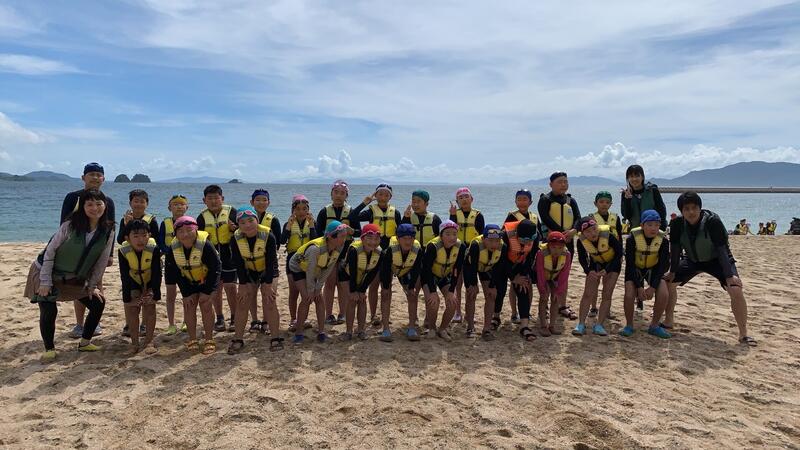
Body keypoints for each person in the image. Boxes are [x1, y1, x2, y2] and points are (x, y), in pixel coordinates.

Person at [26, 189, 115, 360]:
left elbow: (101, 261)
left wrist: (92, 284)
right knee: (48, 308)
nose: (94, 208)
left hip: (73, 276)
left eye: (98, 204)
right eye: (89, 204)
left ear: (105, 206)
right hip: (45, 271)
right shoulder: (70, 225)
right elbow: (50, 252)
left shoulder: (108, 230)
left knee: (98, 303)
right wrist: (45, 281)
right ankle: (49, 349)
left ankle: (85, 343)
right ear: (82, 207)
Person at [664, 192, 756, 345]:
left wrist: (729, 275)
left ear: (700, 208)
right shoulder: (677, 224)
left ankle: (743, 333)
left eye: (694, 208)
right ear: (681, 211)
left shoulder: (713, 221)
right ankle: (668, 321)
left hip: (717, 260)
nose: (691, 212)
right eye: (686, 209)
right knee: (668, 283)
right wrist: (672, 271)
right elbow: (675, 250)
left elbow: (721, 249)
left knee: (735, 289)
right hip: (692, 260)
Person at [59, 162, 116, 339]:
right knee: (79, 285)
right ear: (83, 177)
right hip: (76, 251)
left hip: (97, 250)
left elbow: (111, 230)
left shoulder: (107, 201)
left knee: (97, 284)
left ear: (103, 179)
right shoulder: (73, 198)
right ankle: (79, 324)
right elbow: (63, 225)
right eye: (91, 174)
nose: (95, 178)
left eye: (99, 175)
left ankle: (95, 321)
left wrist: (110, 254)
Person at [164, 216, 221, 355]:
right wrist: (185, 294)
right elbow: (174, 272)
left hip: (206, 280)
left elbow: (216, 268)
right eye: (181, 231)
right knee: (189, 305)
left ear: (196, 230)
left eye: (189, 230)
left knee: (206, 305)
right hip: (188, 281)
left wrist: (208, 291)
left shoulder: (205, 245)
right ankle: (192, 339)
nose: (185, 234)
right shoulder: (173, 248)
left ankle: (209, 339)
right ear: (176, 234)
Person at [228, 207, 281, 354]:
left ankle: (275, 337)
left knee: (269, 301)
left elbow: (271, 262)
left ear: (257, 221)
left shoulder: (268, 236)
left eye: (251, 220)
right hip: (249, 271)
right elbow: (238, 263)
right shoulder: (235, 239)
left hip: (268, 271)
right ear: (238, 225)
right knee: (242, 301)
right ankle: (238, 339)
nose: (247, 225)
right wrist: (242, 285)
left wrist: (268, 284)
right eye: (242, 222)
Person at [288, 221, 350, 344]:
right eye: (342, 236)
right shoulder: (315, 249)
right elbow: (310, 270)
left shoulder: (340, 246)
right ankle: (299, 333)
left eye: (345, 236)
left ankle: (321, 332)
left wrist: (318, 288)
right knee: (307, 298)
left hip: (316, 268)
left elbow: (328, 268)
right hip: (298, 268)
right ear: (330, 237)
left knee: (319, 298)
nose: (345, 239)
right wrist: (311, 290)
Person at [350, 184, 402, 327]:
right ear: (376, 195)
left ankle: (385, 314)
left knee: (387, 286)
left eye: (386, 195)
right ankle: (373, 315)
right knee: (373, 284)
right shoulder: (371, 211)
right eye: (380, 194)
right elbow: (353, 217)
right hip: (374, 251)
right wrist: (365, 202)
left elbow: (401, 232)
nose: (383, 197)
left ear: (390, 197)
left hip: (389, 252)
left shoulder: (395, 213)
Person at [619, 210, 671, 339]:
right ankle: (629, 325)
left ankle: (654, 326)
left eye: (657, 225)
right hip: (635, 269)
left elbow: (662, 266)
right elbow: (630, 265)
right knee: (629, 294)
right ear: (642, 225)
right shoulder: (632, 239)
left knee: (664, 293)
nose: (654, 228)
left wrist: (652, 287)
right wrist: (639, 287)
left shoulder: (663, 241)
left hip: (654, 269)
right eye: (650, 224)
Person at [537, 171, 580, 321]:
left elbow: (578, 218)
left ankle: (562, 306)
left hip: (568, 241)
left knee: (563, 274)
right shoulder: (545, 200)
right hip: (550, 242)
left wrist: (573, 230)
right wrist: (560, 234)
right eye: (560, 182)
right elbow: (545, 218)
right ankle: (545, 305)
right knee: (546, 273)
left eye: (565, 182)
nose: (563, 184)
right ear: (551, 184)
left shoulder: (571, 200)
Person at [118, 189, 160, 337]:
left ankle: (143, 324)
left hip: (148, 260)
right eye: (136, 201)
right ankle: (129, 323)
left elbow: (156, 240)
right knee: (131, 294)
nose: (139, 204)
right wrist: (126, 224)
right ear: (130, 203)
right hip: (131, 261)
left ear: (147, 203)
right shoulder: (125, 219)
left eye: (142, 201)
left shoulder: (151, 220)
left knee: (147, 294)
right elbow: (120, 240)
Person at [196, 185, 238, 332]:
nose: (213, 201)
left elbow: (243, 230)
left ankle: (234, 317)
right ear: (204, 200)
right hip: (211, 256)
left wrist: (234, 228)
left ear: (222, 198)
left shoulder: (232, 212)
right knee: (216, 289)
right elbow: (198, 239)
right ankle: (220, 318)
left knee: (231, 287)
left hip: (229, 255)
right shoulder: (201, 217)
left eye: (216, 198)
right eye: (210, 198)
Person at [118, 219, 162, 354]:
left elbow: (157, 273)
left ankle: (149, 341)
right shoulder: (123, 251)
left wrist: (155, 294)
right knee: (132, 309)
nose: (140, 240)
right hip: (133, 281)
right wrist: (127, 298)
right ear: (128, 238)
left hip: (150, 280)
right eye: (136, 236)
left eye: (144, 235)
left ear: (149, 235)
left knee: (150, 307)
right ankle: (135, 343)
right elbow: (124, 275)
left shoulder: (154, 249)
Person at [573, 218, 622, 336]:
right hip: (596, 264)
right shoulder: (581, 241)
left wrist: (608, 270)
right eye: (588, 232)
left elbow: (619, 253)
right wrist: (588, 271)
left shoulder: (609, 236)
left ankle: (599, 325)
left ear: (598, 227)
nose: (593, 233)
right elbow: (582, 258)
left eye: (594, 229)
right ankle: (581, 324)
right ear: (582, 233)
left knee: (607, 294)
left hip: (612, 264)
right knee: (587, 294)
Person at [491, 219, 539, 337]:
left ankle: (524, 325)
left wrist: (523, 275)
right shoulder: (505, 236)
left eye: (531, 239)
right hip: (502, 264)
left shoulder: (535, 236)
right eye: (524, 240)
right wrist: (513, 277)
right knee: (500, 291)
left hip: (521, 263)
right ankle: (496, 317)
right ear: (517, 234)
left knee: (523, 288)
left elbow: (531, 256)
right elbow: (502, 261)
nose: (528, 242)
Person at [421, 220, 466, 342]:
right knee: (433, 301)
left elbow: (456, 269)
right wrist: (432, 291)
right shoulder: (432, 246)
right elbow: (426, 270)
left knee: (453, 302)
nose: (452, 237)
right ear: (441, 235)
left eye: (454, 234)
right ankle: (431, 328)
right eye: (448, 234)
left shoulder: (461, 246)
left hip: (445, 275)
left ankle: (442, 329)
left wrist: (451, 290)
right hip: (429, 276)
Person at [316, 180, 352, 326]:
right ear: (331, 194)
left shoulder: (350, 211)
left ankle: (342, 313)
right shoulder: (324, 212)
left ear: (346, 196)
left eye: (342, 193)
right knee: (330, 283)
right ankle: (329, 314)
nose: (338, 195)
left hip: (345, 253)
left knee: (343, 285)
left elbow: (357, 231)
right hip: (329, 253)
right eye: (336, 192)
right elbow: (318, 233)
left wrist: (351, 231)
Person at [339, 224, 383, 341]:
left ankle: (361, 330)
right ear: (362, 239)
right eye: (369, 238)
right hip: (346, 275)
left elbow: (373, 273)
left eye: (376, 239)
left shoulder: (380, 253)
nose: (373, 242)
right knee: (352, 300)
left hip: (363, 275)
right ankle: (348, 331)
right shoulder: (354, 250)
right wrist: (354, 291)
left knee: (362, 299)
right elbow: (353, 271)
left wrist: (362, 290)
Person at [503, 189, 541, 324]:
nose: (522, 202)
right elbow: (505, 237)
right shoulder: (511, 217)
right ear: (515, 202)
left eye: (525, 199)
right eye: (519, 199)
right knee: (514, 285)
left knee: (528, 283)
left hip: (528, 256)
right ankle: (514, 313)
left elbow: (538, 237)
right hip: (514, 256)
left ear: (530, 202)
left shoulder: (534, 217)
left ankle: (526, 312)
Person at [379, 223, 423, 341]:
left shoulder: (417, 250)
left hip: (406, 269)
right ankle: (386, 329)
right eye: (404, 238)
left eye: (410, 238)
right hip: (390, 268)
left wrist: (411, 286)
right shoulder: (389, 250)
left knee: (412, 295)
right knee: (385, 295)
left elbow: (416, 269)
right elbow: (385, 270)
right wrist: (386, 287)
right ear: (398, 239)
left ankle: (411, 328)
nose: (408, 242)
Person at [449, 187, 485, 323]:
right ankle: (457, 312)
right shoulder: (454, 214)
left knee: (470, 285)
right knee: (457, 284)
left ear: (472, 199)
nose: (464, 200)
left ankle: (470, 313)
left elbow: (482, 236)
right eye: (461, 198)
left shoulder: (478, 215)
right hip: (457, 252)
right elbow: (449, 233)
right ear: (457, 201)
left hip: (472, 253)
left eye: (466, 197)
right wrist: (452, 216)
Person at [464, 225, 506, 340]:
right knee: (471, 294)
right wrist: (473, 284)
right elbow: (472, 267)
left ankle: (486, 329)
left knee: (491, 295)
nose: (494, 244)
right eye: (490, 240)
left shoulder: (503, 247)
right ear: (483, 239)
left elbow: (498, 269)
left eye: (497, 241)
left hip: (487, 268)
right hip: (470, 268)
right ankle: (470, 327)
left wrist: (492, 286)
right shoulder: (475, 245)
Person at [282, 194, 317, 331]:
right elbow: (281, 241)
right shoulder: (288, 224)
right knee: (293, 291)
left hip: (308, 259)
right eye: (298, 209)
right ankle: (293, 319)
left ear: (308, 210)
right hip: (292, 259)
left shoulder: (312, 223)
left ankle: (304, 318)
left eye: (304, 209)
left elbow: (316, 241)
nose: (301, 212)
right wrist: (288, 227)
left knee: (306, 292)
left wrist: (312, 226)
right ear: (293, 210)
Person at [249, 189, 282, 333]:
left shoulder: (273, 220)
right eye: (258, 200)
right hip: (250, 262)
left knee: (268, 293)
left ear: (269, 202)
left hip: (268, 262)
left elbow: (278, 243)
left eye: (264, 200)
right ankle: (254, 320)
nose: (261, 203)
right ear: (252, 202)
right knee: (251, 293)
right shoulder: (245, 219)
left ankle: (266, 321)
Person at [157, 194, 189, 335]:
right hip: (170, 262)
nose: (179, 207)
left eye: (182, 204)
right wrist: (169, 251)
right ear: (169, 208)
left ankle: (186, 321)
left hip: (187, 262)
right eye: (175, 204)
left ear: (186, 207)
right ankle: (171, 324)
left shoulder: (190, 223)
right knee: (171, 294)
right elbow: (160, 242)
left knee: (187, 293)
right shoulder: (165, 223)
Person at [587, 191, 622, 318]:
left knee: (608, 285)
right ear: (595, 203)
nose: (604, 204)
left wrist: (620, 255)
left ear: (611, 204)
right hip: (596, 256)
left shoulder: (615, 218)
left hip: (612, 255)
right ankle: (593, 308)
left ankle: (606, 310)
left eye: (607, 202)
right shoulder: (591, 218)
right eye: (601, 202)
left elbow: (619, 236)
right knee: (595, 283)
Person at [535, 232, 572, 336]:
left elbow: (565, 274)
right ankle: (543, 325)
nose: (557, 251)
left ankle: (552, 325)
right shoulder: (541, 254)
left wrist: (559, 291)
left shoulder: (567, 254)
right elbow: (540, 273)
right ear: (548, 246)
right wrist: (542, 290)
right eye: (554, 247)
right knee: (544, 298)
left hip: (555, 277)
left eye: (560, 248)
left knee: (555, 299)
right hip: (543, 277)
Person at [620, 164, 667, 230]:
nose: (634, 179)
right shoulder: (625, 194)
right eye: (631, 176)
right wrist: (627, 200)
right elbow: (626, 216)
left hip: (653, 230)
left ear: (642, 177)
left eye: (637, 176)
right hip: (635, 230)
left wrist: (662, 228)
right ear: (628, 179)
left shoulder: (652, 190)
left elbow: (662, 211)